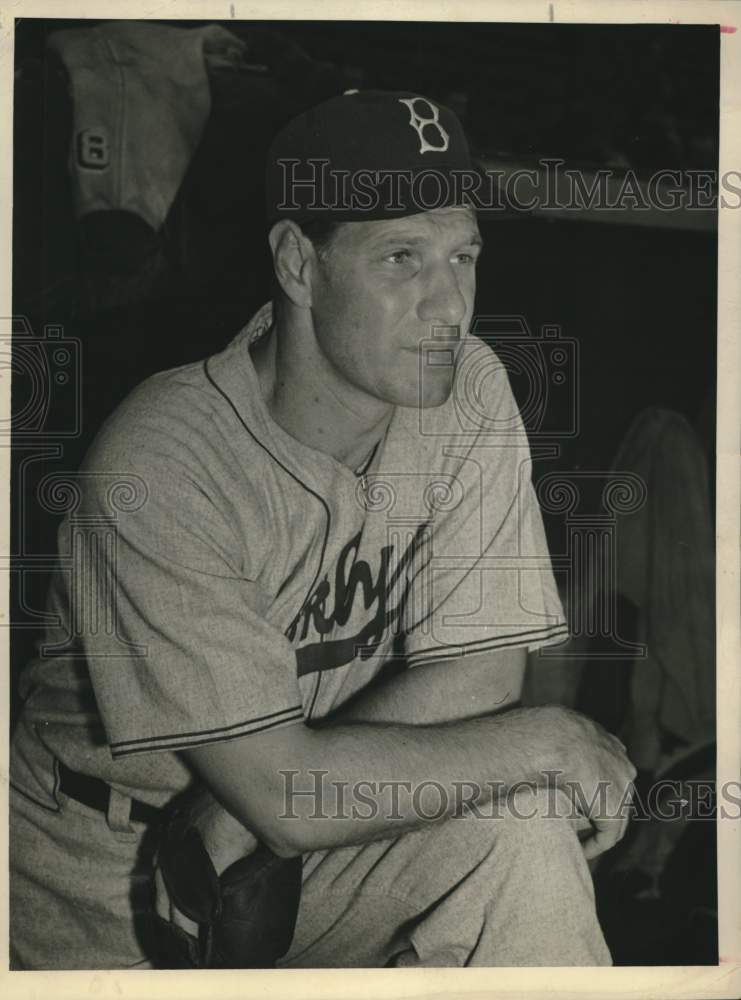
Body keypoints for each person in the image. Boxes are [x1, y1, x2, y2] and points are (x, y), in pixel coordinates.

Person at [9, 89, 635, 969]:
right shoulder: (164, 461)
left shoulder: (468, 390)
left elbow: (483, 672)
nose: (447, 304)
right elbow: (286, 794)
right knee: (523, 767)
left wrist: (260, 794)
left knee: (519, 833)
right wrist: (551, 738)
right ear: (298, 265)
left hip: (299, 836)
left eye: (463, 255)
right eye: (401, 259)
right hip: (108, 876)